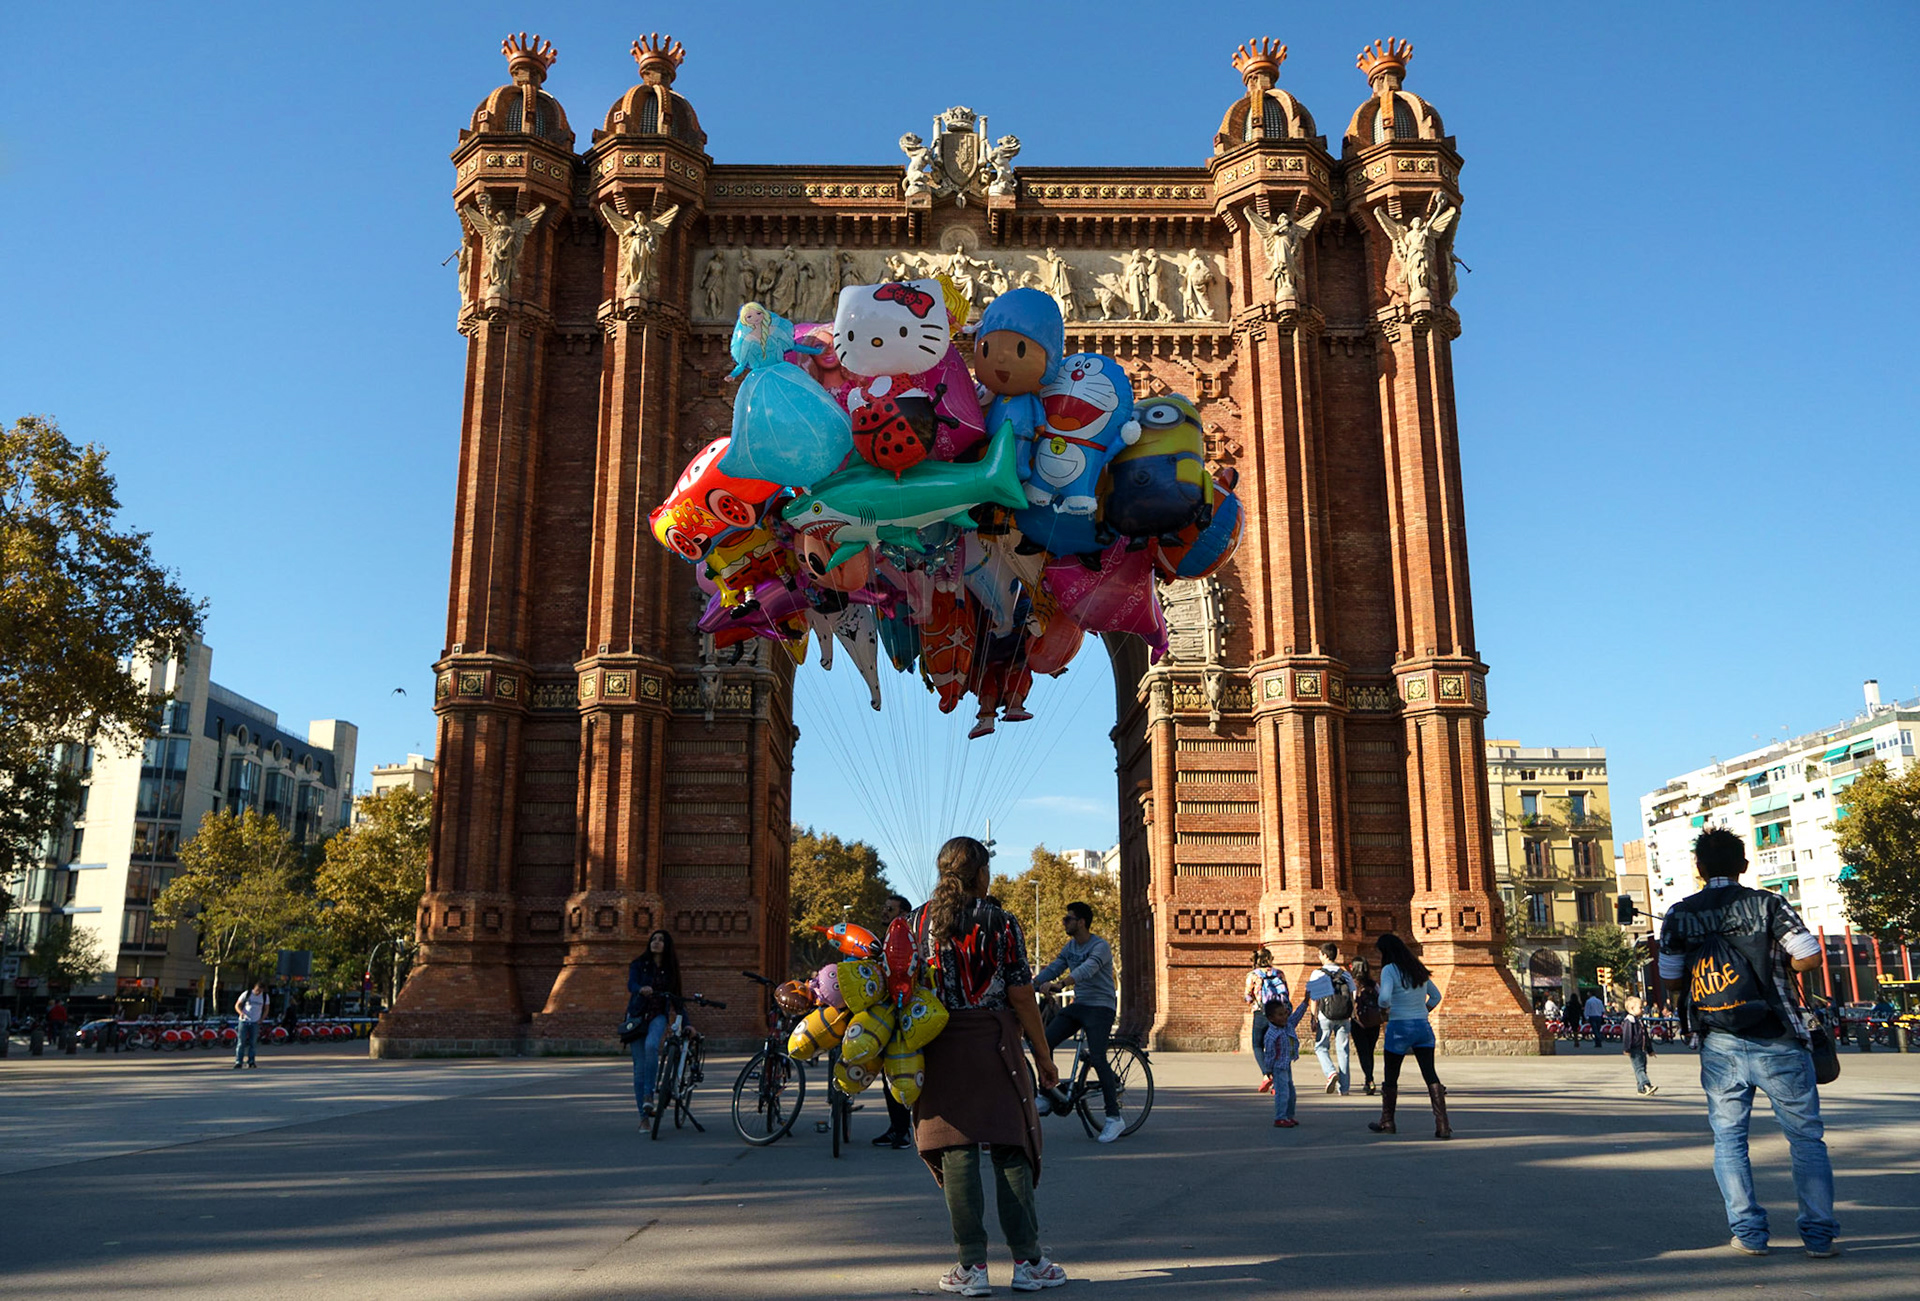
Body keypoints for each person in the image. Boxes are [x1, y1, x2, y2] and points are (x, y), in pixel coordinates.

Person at [1659, 827, 1837, 1258]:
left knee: (1729, 1140)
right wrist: (1777, 964)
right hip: (1779, 1036)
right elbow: (1810, 956)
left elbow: (1671, 979)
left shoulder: (1679, 914)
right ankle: (1818, 1237)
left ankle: (1750, 1234)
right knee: (1805, 1139)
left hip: (1718, 1040)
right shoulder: (1768, 904)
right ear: (1743, 864)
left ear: (1700, 869)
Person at [909, 836, 1067, 1295]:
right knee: (1010, 1147)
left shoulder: (915, 922)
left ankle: (971, 1267)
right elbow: (1021, 995)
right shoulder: (1001, 921)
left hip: (937, 1046)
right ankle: (1028, 1262)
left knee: (955, 1151)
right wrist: (1043, 1056)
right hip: (995, 1046)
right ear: (980, 873)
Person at [1034, 900, 1124, 1143]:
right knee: (1043, 1043)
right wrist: (1031, 984)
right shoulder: (1070, 947)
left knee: (1097, 1057)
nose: (1064, 922)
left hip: (1101, 1007)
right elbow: (1054, 967)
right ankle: (1046, 1094)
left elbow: (1088, 969)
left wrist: (1062, 984)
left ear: (1081, 922)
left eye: (1068, 919)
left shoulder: (1100, 946)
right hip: (1080, 1005)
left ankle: (1114, 1118)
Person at [1366, 933, 1450, 1140]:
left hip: (1399, 1026)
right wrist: (1422, 1010)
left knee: (1391, 1074)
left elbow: (1384, 998)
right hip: (1422, 1027)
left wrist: (1385, 1010)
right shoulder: (1418, 969)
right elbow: (1436, 996)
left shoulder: (1389, 970)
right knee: (1430, 1074)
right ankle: (1443, 1125)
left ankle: (1388, 1121)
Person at [872, 893, 918, 1150]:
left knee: (907, 1069)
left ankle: (907, 1130)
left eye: (889, 909)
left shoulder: (910, 940)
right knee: (888, 1073)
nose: (884, 912)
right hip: (887, 1012)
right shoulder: (882, 941)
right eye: (884, 907)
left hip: (908, 1013)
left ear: (903, 914)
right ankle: (897, 1128)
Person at [626, 930, 681, 1123]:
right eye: (653, 939)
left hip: (658, 1016)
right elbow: (631, 984)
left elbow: (677, 999)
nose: (656, 942)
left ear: (667, 945)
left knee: (651, 1046)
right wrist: (641, 989)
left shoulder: (671, 970)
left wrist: (688, 1023)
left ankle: (648, 1095)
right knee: (639, 1068)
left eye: (661, 940)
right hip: (637, 1016)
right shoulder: (639, 964)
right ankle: (644, 1117)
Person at [1303, 942, 1354, 1095]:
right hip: (1344, 1015)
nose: (1319, 957)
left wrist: (1313, 1017)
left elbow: (1314, 998)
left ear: (1325, 955)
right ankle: (1344, 1088)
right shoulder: (1345, 974)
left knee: (1320, 1047)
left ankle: (1330, 1072)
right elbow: (1353, 995)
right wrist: (1351, 1013)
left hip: (1325, 1015)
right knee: (1343, 1050)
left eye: (1320, 954)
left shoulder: (1318, 973)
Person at [1243, 948, 1288, 1087]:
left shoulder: (1253, 975)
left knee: (1257, 1045)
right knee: (1274, 1047)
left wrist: (1252, 1000)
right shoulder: (1279, 974)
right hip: (1278, 1014)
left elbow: (1248, 997)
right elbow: (1286, 993)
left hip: (1261, 1013)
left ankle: (1267, 1074)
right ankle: (1277, 1082)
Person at [1264, 995, 1311, 1128]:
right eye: (1280, 1015)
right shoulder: (1271, 1034)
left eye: (1285, 1013)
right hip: (1278, 1067)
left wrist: (1305, 1001)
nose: (1284, 1017)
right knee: (1282, 1093)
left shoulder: (1288, 1025)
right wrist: (1268, 1070)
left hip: (1286, 1064)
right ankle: (1280, 1117)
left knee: (1291, 1092)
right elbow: (1269, 1054)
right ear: (1271, 1018)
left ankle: (1289, 1116)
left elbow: (1297, 1015)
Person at [1349, 957, 1383, 1095]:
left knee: (1363, 1052)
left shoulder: (1352, 984)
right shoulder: (1374, 985)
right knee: (1370, 1052)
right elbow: (1381, 1000)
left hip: (1358, 1023)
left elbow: (1350, 1002)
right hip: (1374, 1022)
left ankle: (1369, 1079)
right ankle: (1369, 1079)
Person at [1621, 995, 1658, 1096]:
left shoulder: (1639, 1021)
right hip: (1634, 1049)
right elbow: (1627, 1036)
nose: (1642, 1010)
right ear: (1632, 1008)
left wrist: (1650, 1050)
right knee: (1639, 1069)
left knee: (1642, 1068)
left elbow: (1646, 1036)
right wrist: (1627, 1048)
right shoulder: (1629, 1021)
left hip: (1642, 1048)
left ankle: (1641, 1089)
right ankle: (1646, 1085)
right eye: (1640, 1007)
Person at [234, 981, 266, 1069]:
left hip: (255, 1022)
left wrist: (262, 1019)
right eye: (257, 990)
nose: (258, 992)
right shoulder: (247, 994)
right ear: (254, 988)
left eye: (260, 991)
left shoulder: (264, 996)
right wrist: (241, 1013)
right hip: (244, 1021)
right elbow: (237, 1005)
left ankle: (251, 1061)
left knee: (253, 1043)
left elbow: (266, 1008)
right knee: (241, 1042)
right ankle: (239, 1061)